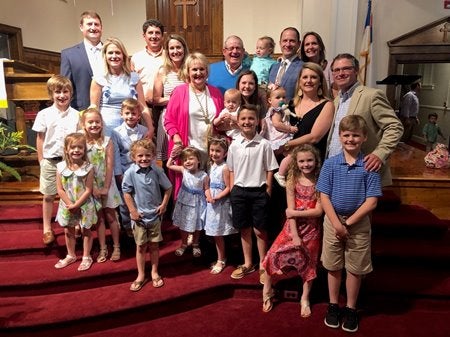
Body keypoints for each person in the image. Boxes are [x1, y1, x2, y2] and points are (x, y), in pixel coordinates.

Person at [316, 115, 382, 333]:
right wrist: (337, 224)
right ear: (340, 136)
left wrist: (349, 224)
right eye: (347, 135)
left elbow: (371, 201)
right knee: (333, 265)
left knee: (355, 267)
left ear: (363, 138)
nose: (351, 139)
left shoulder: (369, 166)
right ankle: (333, 305)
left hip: (358, 224)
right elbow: (324, 196)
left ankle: (351, 308)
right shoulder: (331, 163)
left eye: (355, 135)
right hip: (333, 222)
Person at [261, 144, 323, 316]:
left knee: (309, 262)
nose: (306, 164)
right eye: (301, 161)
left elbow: (318, 211)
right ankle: (267, 290)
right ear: (296, 162)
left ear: (316, 161)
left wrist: (294, 212)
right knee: (272, 255)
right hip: (292, 227)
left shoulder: (320, 181)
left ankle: (305, 298)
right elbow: (289, 211)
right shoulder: (291, 179)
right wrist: (294, 235)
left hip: (312, 228)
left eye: (309, 160)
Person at [327, 53, 403, 187]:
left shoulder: (371, 95)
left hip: (363, 170)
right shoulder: (337, 100)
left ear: (356, 71)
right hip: (335, 167)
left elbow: (395, 127)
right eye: (336, 70)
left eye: (346, 68)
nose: (341, 73)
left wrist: (379, 154)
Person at [227, 104, 279, 283]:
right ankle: (248, 263)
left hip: (259, 192)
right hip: (239, 192)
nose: (247, 122)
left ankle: (263, 263)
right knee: (244, 229)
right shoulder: (234, 145)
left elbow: (270, 169)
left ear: (257, 121)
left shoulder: (264, 144)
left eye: (251, 118)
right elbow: (231, 169)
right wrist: (233, 189)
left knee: (260, 230)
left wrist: (268, 191)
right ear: (238, 122)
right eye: (243, 119)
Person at [164, 52, 224, 198]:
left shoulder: (215, 93)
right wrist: (177, 139)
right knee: (189, 194)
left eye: (202, 69)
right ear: (188, 72)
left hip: (210, 152)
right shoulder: (179, 92)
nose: (198, 73)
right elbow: (168, 120)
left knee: (209, 192)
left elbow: (221, 121)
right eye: (194, 70)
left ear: (207, 71)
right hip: (188, 150)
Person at [32, 75, 80, 245]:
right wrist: (41, 160)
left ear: (71, 94)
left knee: (73, 194)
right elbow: (40, 138)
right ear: (51, 94)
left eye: (65, 91)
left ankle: (77, 224)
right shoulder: (44, 114)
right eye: (57, 92)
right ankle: (47, 228)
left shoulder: (76, 115)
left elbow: (79, 140)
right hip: (50, 161)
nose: (62, 95)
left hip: (70, 162)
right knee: (49, 195)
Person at [122, 139, 172, 292]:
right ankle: (141, 275)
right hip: (139, 217)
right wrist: (133, 211)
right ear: (133, 157)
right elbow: (126, 192)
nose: (144, 159)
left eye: (148, 155)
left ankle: (155, 272)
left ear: (153, 156)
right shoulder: (130, 172)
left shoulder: (157, 170)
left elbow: (168, 188)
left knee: (154, 245)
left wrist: (163, 205)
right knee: (141, 246)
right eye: (140, 156)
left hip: (155, 216)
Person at [274, 62, 334, 187]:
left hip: (308, 167)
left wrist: (286, 145)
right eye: (305, 77)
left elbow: (314, 137)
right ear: (299, 81)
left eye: (313, 77)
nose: (309, 81)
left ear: (320, 81)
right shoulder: (290, 104)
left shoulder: (327, 105)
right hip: (284, 164)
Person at [79, 108, 122, 263]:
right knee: (99, 219)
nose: (94, 125)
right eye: (90, 122)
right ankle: (103, 248)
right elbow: (81, 166)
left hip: (107, 184)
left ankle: (117, 246)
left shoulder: (107, 141)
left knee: (111, 216)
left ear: (102, 123)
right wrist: (93, 188)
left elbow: (110, 165)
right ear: (84, 124)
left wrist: (105, 187)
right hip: (90, 186)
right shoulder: (81, 141)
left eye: (97, 122)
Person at [90, 37, 154, 137]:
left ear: (123, 55)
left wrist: (150, 128)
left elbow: (143, 107)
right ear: (105, 56)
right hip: (106, 129)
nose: (114, 56)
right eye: (110, 53)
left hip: (131, 128)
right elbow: (94, 107)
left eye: (117, 53)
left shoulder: (134, 77)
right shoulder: (99, 78)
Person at [54, 133, 97, 271]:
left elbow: (89, 189)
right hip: (67, 204)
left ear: (84, 150)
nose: (76, 150)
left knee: (86, 230)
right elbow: (60, 189)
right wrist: (69, 204)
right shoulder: (60, 167)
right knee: (68, 229)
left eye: (80, 147)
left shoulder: (88, 168)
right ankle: (71, 255)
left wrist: (77, 204)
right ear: (66, 149)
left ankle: (86, 256)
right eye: (72, 147)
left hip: (84, 204)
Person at [112, 98, 148, 235]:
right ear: (121, 114)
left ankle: (141, 223)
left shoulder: (144, 131)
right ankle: (127, 225)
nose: (130, 116)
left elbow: (148, 151)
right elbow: (115, 154)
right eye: (127, 113)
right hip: (125, 170)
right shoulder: (116, 132)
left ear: (139, 115)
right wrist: (118, 173)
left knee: (140, 197)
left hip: (141, 170)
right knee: (125, 199)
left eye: (133, 114)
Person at [167, 146, 210, 258]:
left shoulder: (204, 175)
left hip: (198, 204)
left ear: (198, 160)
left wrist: (209, 199)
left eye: (191, 158)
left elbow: (206, 189)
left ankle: (195, 244)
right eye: (185, 160)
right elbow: (169, 165)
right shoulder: (183, 170)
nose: (187, 162)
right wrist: (172, 156)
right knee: (184, 225)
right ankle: (184, 243)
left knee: (196, 225)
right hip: (185, 202)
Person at [153, 34, 189, 163]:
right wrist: (175, 99)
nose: (175, 51)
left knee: (186, 154)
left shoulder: (190, 69)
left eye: (178, 47)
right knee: (168, 158)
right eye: (171, 48)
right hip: (168, 117)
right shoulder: (163, 71)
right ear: (167, 51)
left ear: (184, 49)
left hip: (187, 116)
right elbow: (156, 99)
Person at [204, 137, 237, 274]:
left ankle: (221, 259)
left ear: (225, 153)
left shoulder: (224, 168)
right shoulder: (211, 165)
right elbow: (207, 185)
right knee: (214, 233)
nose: (214, 153)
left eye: (218, 151)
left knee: (219, 233)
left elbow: (229, 187)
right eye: (212, 150)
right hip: (211, 203)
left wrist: (217, 197)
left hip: (221, 204)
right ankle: (220, 256)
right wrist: (208, 195)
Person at [61, 11, 103, 111]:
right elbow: (65, 85)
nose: (93, 27)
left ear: (101, 27)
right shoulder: (69, 54)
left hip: (110, 110)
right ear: (81, 27)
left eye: (96, 24)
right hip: (81, 110)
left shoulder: (111, 52)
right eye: (89, 24)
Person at [131, 19, 165, 105]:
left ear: (162, 36)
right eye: (150, 33)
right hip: (143, 106)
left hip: (166, 106)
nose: (154, 36)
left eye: (157, 33)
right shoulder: (136, 58)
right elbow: (132, 84)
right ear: (144, 36)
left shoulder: (169, 56)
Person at [268, 27, 303, 101]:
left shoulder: (303, 67)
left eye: (292, 41)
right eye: (285, 41)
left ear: (299, 44)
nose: (288, 44)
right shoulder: (273, 67)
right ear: (280, 43)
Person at [261, 86, 297, 152]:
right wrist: (290, 128)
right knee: (288, 153)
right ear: (270, 100)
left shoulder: (281, 110)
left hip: (279, 136)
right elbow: (277, 124)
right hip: (278, 137)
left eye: (284, 97)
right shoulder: (276, 111)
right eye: (278, 97)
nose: (281, 99)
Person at [299, 31, 336, 97]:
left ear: (320, 47)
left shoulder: (330, 66)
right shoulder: (301, 68)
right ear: (303, 49)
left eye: (314, 43)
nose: (310, 47)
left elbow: (335, 92)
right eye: (307, 44)